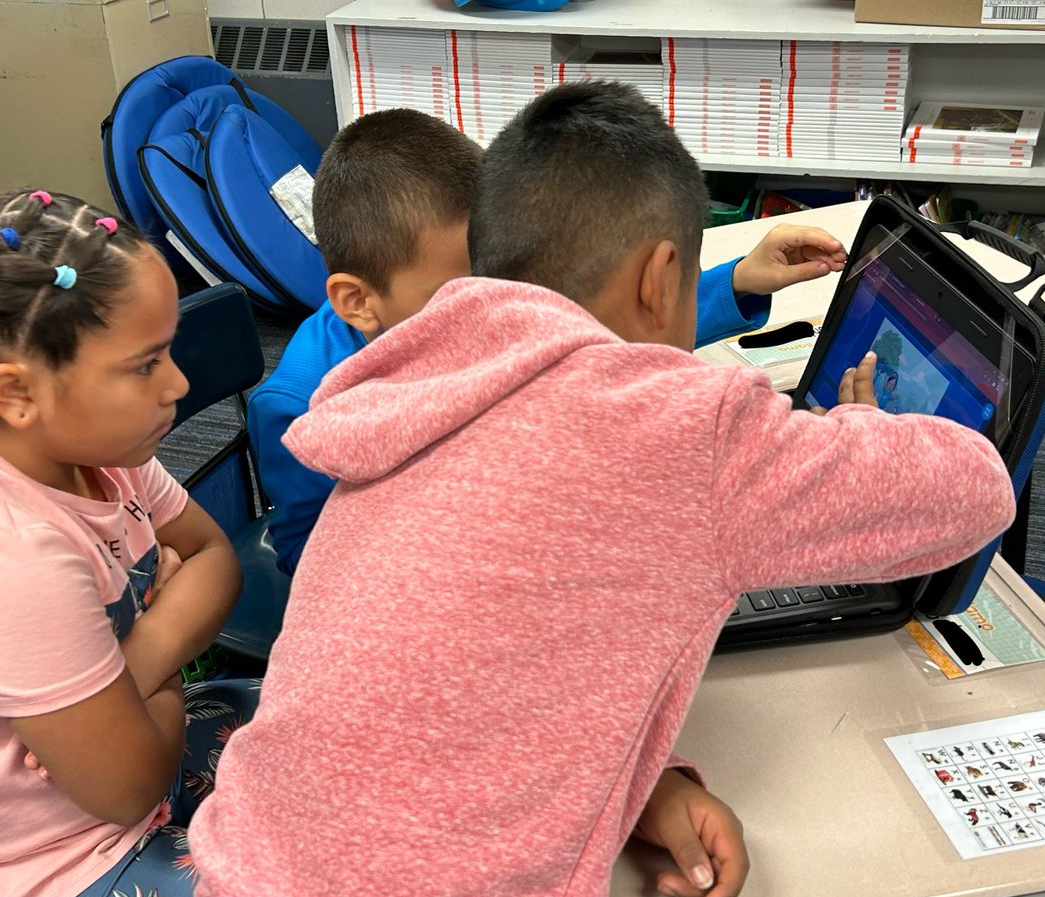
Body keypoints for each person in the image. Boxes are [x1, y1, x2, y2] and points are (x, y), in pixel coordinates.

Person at [188, 82, 1015, 897]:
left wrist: (648, 779)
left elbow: (483, 666)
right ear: (660, 278)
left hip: (243, 859)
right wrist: (863, 431)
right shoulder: (686, 435)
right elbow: (977, 488)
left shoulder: (401, 384)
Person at [249, 108, 847, 576]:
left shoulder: (477, 306)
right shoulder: (300, 406)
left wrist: (736, 281)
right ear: (358, 301)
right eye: (457, 287)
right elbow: (314, 565)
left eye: (494, 275)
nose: (490, 303)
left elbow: (588, 330)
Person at [0, 188, 259, 897]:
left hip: (124, 751)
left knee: (338, 726)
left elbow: (216, 559)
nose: (179, 384)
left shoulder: (99, 446)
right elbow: (125, 790)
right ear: (15, 393)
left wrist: (135, 667)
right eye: (145, 364)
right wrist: (165, 633)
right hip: (44, 866)